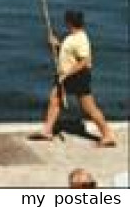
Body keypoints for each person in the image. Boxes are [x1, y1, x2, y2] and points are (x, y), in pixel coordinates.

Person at [33, 10, 119, 147]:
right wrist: (56, 45)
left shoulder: (81, 38)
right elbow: (68, 53)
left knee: (89, 108)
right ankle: (47, 131)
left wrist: (68, 73)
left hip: (77, 77)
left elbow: (85, 61)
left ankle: (108, 135)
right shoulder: (72, 36)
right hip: (66, 76)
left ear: (69, 22)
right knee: (55, 100)